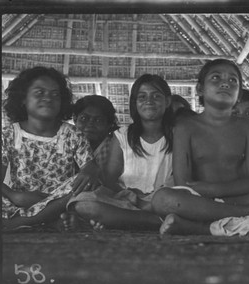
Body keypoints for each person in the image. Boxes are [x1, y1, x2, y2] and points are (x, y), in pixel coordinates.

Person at [151, 59, 249, 236]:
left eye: (233, 80)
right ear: (200, 89)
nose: (225, 83)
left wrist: (211, 189)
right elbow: (183, 183)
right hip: (201, 203)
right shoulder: (185, 127)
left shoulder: (248, 128)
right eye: (215, 78)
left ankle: (200, 228)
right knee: (163, 199)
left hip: (242, 201)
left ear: (238, 94)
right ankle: (241, 219)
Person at [67, 74, 174, 230]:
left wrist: (153, 200)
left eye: (156, 96)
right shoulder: (123, 135)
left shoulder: (178, 133)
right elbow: (110, 180)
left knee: (175, 202)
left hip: (162, 200)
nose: (149, 101)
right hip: (126, 200)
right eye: (142, 96)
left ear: (168, 101)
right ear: (134, 103)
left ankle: (124, 221)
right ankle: (155, 222)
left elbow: (179, 177)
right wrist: (132, 197)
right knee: (82, 203)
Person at [2, 66, 98, 231]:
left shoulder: (72, 134)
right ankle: (51, 222)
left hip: (59, 199)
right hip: (21, 201)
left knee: (87, 186)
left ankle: (22, 224)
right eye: (39, 93)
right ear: (23, 99)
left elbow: (89, 168)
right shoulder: (9, 134)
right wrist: (15, 196)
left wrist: (90, 171)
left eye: (55, 94)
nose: (48, 98)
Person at [73, 95, 119, 173]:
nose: (90, 124)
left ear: (109, 124)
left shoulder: (116, 150)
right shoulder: (67, 144)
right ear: (75, 120)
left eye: (98, 120)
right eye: (84, 118)